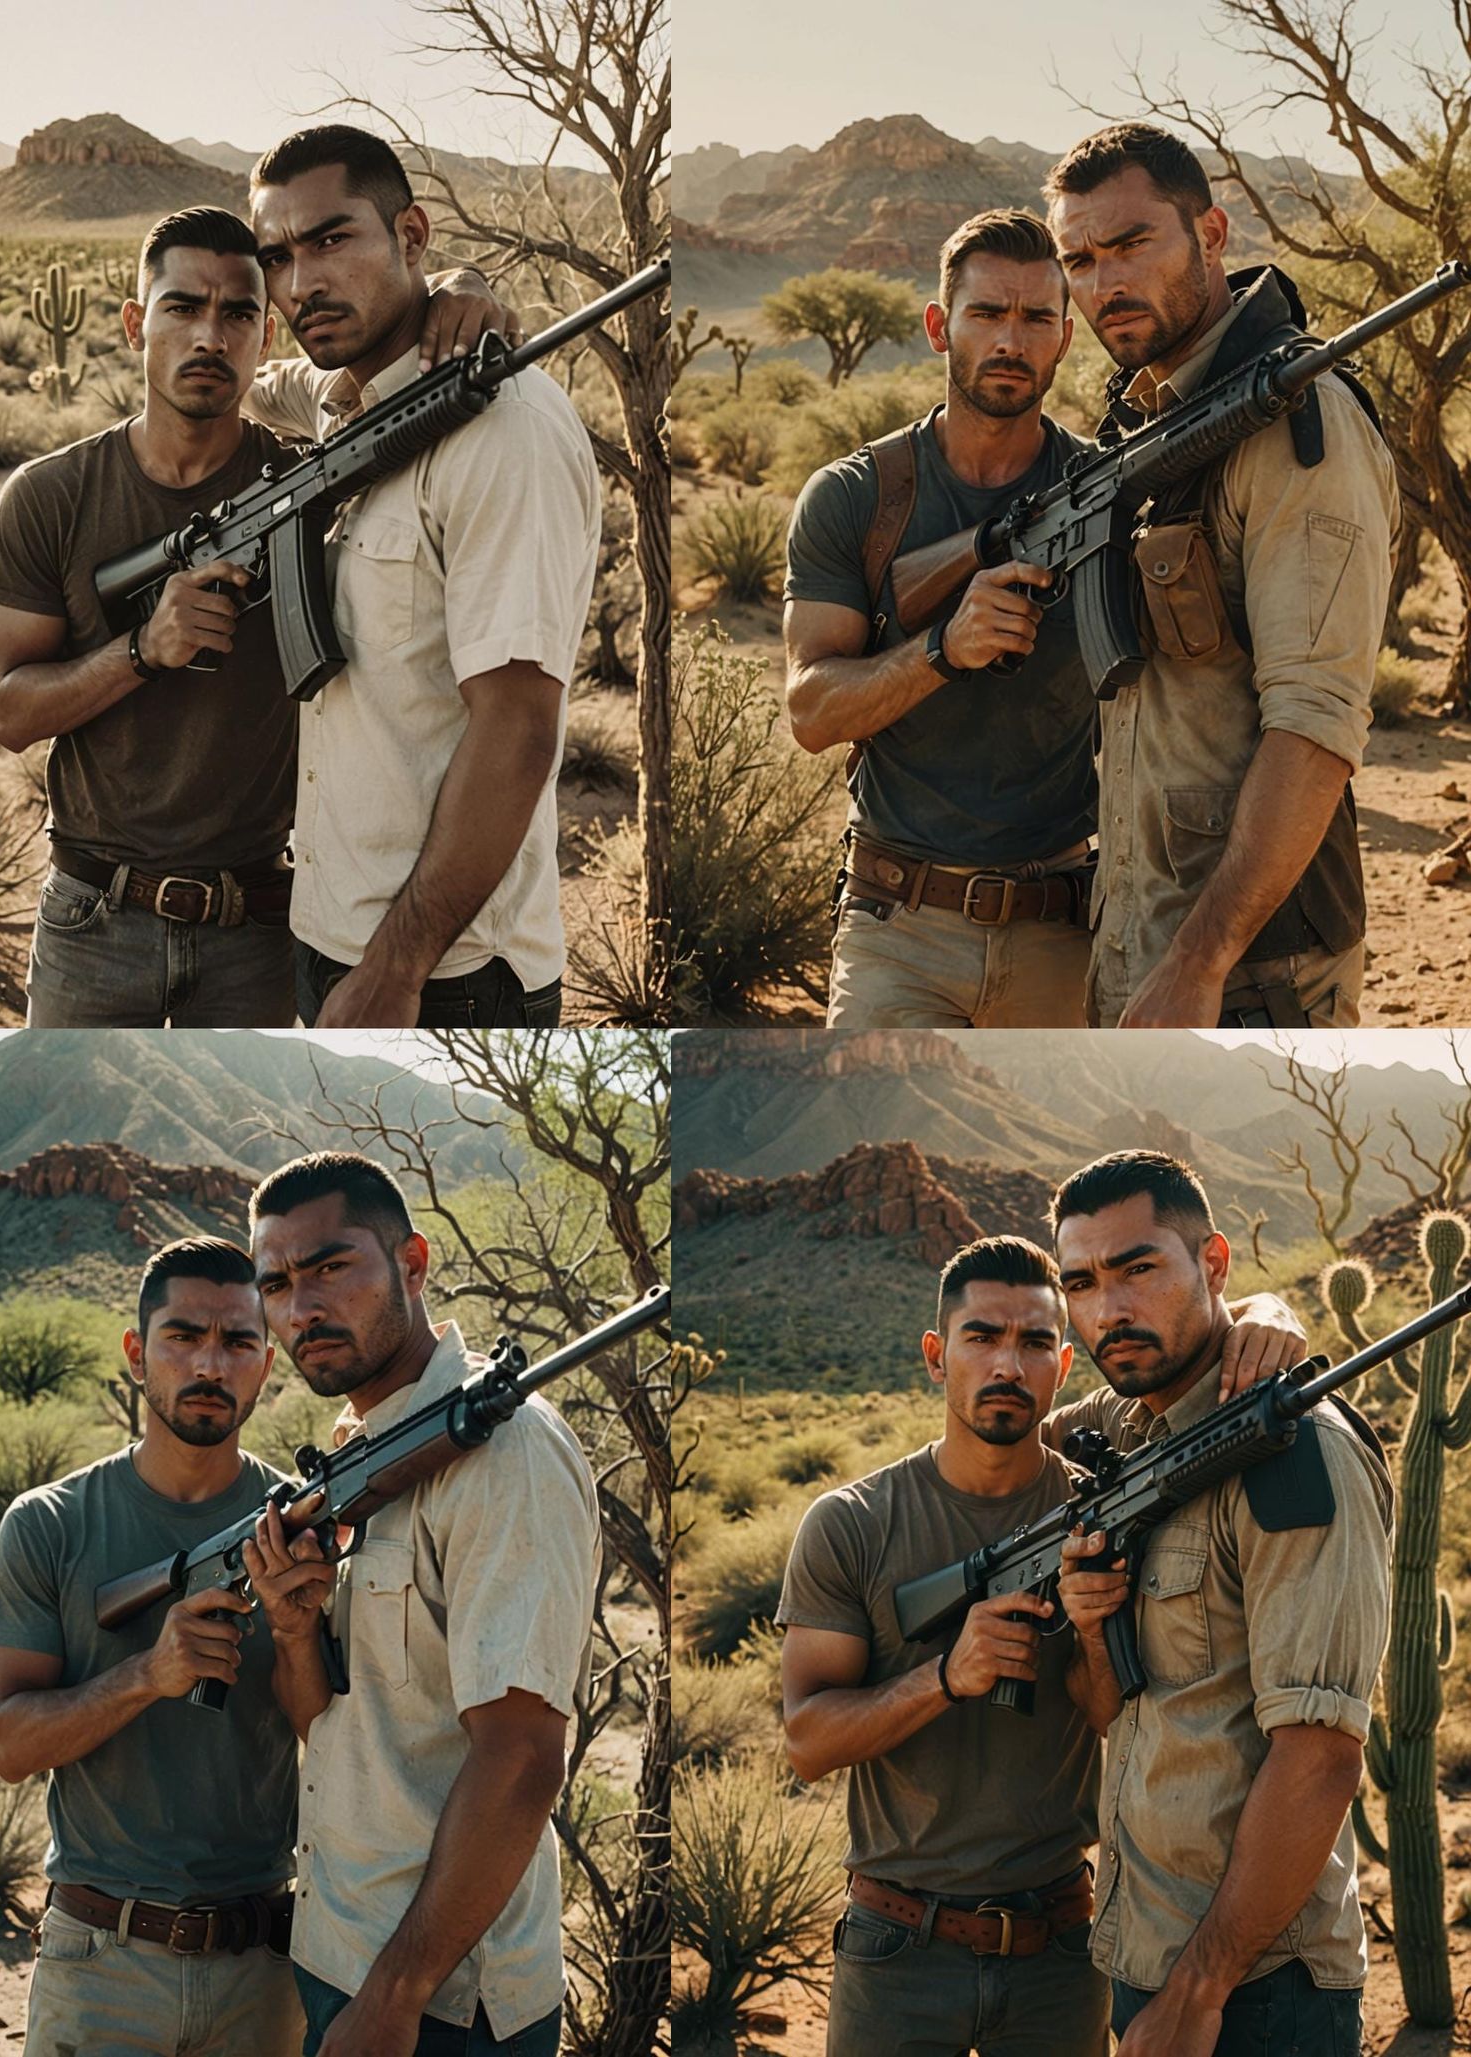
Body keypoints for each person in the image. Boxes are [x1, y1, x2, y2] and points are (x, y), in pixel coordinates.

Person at [0, 203, 516, 1030]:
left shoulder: (310, 481)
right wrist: (143, 650)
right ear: (134, 323)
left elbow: (388, 361)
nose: (210, 337)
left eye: (238, 314)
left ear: (266, 338)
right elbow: (11, 713)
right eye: (182, 308)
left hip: (259, 923)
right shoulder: (50, 496)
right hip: (95, 920)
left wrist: (463, 285)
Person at [775, 1234, 1309, 2057]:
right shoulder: (852, 1523)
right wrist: (947, 1677)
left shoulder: (1094, 1496)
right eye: (981, 1337)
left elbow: (1108, 1715)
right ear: (935, 1354)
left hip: (1061, 1945)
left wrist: (1094, 1632)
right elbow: (806, 1742)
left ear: (1063, 1366)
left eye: (1032, 1343)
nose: (1006, 1366)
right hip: (897, 1950)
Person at [242, 126, 604, 1029]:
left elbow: (518, 728)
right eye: (277, 257)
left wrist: (397, 966)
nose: (301, 284)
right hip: (329, 931)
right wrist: (460, 283)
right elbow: (241, 379)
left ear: (411, 233)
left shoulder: (504, 432)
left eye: (332, 241)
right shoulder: (337, 395)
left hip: (447, 972)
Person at [1041, 124, 1401, 1029]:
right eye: (1078, 260)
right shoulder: (1150, 420)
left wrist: (1199, 961)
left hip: (1250, 970)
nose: (1104, 284)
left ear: (1211, 234)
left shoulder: (1295, 423)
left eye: (1131, 245)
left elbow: (1315, 727)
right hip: (1141, 939)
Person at [243, 1152, 599, 2057]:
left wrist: (394, 1998)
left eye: (330, 1267)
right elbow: (327, 1729)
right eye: (277, 1283)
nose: (301, 1308)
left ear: (412, 1262)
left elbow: (520, 1758)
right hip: (340, 1948)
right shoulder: (357, 1457)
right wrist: (291, 1630)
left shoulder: (506, 1454)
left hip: (440, 2004)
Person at [1048, 1150, 1393, 2056]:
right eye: (1079, 1283)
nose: (1108, 1309)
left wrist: (1201, 1990)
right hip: (1148, 1950)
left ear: (1214, 1262)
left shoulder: (1296, 1451)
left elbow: (1318, 1755)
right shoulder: (1132, 1425)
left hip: (1254, 1991)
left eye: (1138, 1268)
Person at [0, 1238, 330, 2057]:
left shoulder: (299, 1527)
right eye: (183, 1336)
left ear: (266, 1364)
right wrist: (146, 1674)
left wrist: (298, 1630)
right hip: (100, 1964)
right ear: (137, 1353)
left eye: (239, 1341)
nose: (211, 1362)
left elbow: (329, 1732)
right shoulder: (49, 1524)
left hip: (263, 1963)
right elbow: (8, 1745)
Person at [783, 209, 1096, 1029]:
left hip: (1067, 929)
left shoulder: (1109, 488)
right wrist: (943, 650)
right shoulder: (857, 497)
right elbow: (811, 712)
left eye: (1036, 318)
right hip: (899, 930)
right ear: (938, 326)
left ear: (1065, 337)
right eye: (987, 313)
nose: (1011, 340)